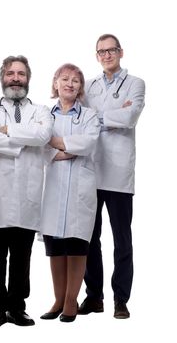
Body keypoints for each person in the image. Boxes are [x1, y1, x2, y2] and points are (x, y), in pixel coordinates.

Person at [0, 55, 53, 328]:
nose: (16, 79)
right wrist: (24, 136)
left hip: (27, 196)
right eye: (11, 73)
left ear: (28, 78)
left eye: (21, 74)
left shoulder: (41, 111)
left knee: (22, 256)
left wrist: (8, 131)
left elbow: (43, 136)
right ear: (3, 77)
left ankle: (17, 308)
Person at [78, 34, 145, 319]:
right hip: (91, 170)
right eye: (101, 51)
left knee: (122, 239)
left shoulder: (135, 83)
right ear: (97, 56)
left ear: (121, 52)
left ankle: (121, 298)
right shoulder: (88, 86)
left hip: (118, 173)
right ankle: (94, 297)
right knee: (89, 238)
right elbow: (81, 118)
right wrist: (113, 115)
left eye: (111, 50)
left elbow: (130, 118)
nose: (107, 55)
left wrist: (99, 119)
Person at [39, 63, 100, 323]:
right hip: (52, 186)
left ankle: (71, 300)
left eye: (76, 81)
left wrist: (58, 144)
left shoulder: (89, 115)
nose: (70, 84)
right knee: (55, 244)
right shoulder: (44, 115)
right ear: (55, 84)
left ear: (80, 88)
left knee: (76, 244)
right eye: (64, 79)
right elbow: (39, 142)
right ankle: (57, 298)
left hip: (79, 188)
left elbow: (88, 143)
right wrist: (63, 148)